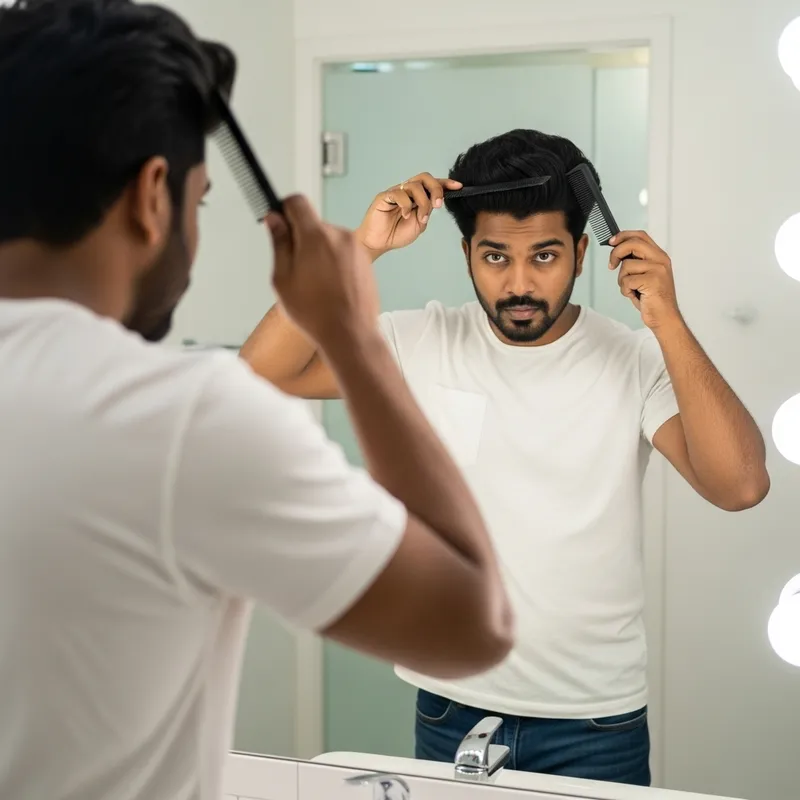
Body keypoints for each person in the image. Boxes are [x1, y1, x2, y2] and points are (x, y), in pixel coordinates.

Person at [0, 2, 515, 799]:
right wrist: (351, 334)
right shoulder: (178, 420)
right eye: (201, 202)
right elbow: (472, 626)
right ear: (152, 195)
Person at [246, 129, 771, 786]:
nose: (519, 283)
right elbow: (263, 373)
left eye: (544, 256)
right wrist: (360, 250)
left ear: (582, 254)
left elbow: (739, 485)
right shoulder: (421, 342)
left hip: (594, 724)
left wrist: (667, 321)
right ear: (467, 253)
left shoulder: (635, 360)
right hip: (450, 708)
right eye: (495, 256)